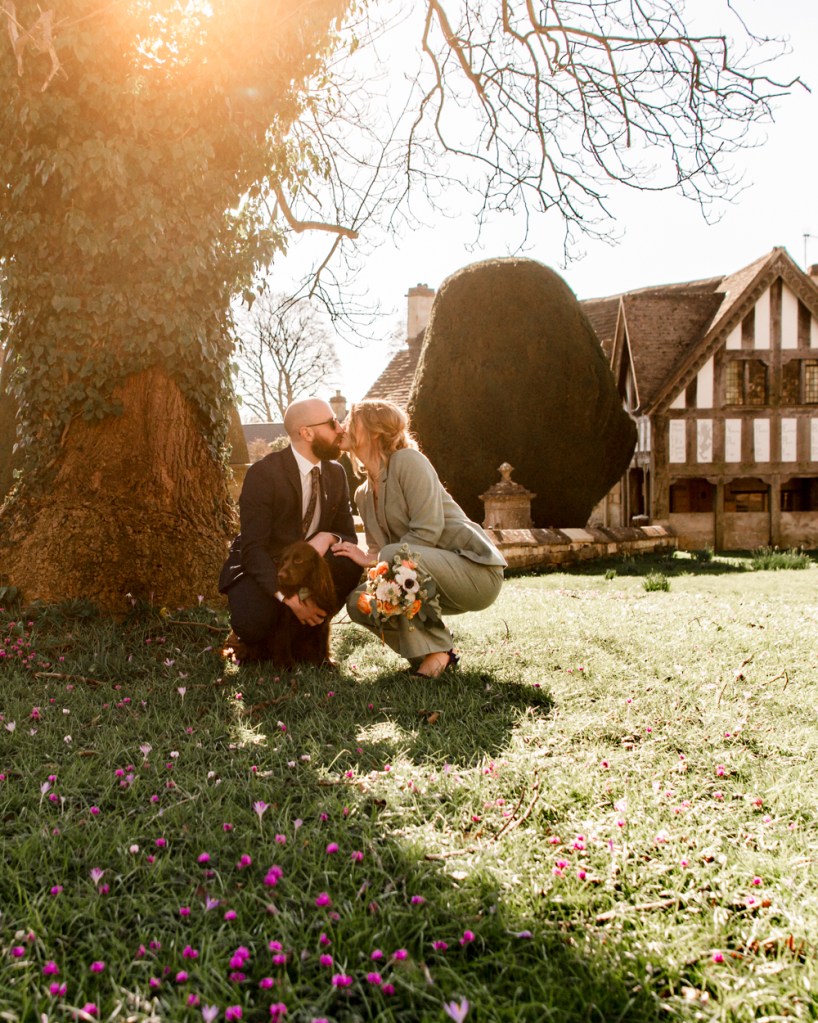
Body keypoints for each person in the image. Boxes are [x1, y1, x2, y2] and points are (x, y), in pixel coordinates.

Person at [332, 400, 506, 678]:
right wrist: (368, 558)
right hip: (422, 579)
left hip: (474, 572)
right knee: (358, 601)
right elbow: (382, 551)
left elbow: (427, 531)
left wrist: (381, 557)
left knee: (393, 557)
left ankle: (438, 651)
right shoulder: (362, 494)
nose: (342, 426)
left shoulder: (408, 461)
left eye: (350, 420)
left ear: (375, 431)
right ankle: (431, 654)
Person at [219, 397, 362, 663]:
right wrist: (291, 600)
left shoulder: (336, 473)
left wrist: (327, 537)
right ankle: (259, 627)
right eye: (333, 423)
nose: (341, 429)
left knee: (349, 562)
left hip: (308, 566)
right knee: (253, 625)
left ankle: (309, 626)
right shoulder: (263, 474)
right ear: (306, 433)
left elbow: (347, 535)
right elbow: (253, 549)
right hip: (267, 566)